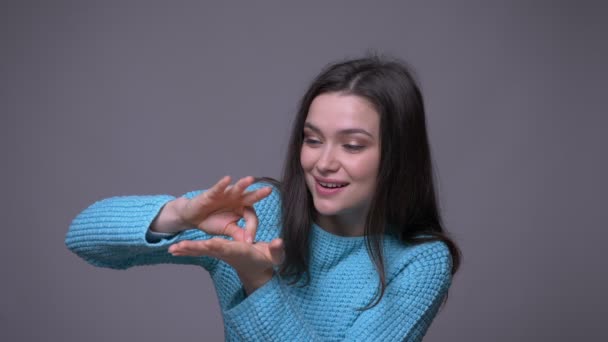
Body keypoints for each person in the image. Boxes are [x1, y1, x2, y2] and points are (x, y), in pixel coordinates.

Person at [65, 55, 461, 341]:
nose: (324, 163)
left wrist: (258, 279)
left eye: (352, 146)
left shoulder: (418, 260)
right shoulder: (260, 212)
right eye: (312, 140)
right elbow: (83, 238)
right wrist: (181, 213)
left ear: (397, 155)